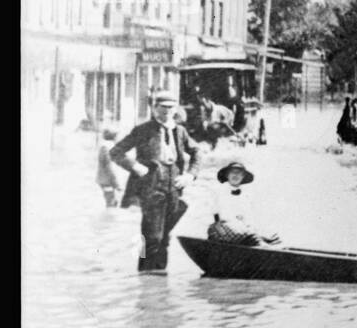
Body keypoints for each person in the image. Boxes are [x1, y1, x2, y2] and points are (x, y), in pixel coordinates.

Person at [110, 89, 200, 273]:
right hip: (151, 187)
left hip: (174, 187)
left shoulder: (180, 131)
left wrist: (190, 175)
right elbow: (116, 152)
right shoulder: (143, 130)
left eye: (170, 107)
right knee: (151, 237)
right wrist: (135, 166)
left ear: (175, 109)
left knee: (165, 237)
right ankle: (143, 272)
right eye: (162, 107)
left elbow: (197, 152)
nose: (166, 111)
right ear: (154, 108)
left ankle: (159, 276)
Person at [207, 160, 281, 246]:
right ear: (227, 175)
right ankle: (262, 246)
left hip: (241, 229)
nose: (236, 175)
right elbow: (216, 215)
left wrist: (252, 229)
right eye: (233, 172)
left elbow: (249, 217)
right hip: (221, 228)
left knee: (271, 236)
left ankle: (272, 248)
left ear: (243, 177)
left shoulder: (246, 195)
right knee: (248, 235)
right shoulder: (219, 190)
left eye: (239, 173)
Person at [96, 128, 124, 207]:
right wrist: (117, 184)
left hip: (105, 179)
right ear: (114, 137)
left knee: (112, 202)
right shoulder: (108, 147)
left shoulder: (104, 146)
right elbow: (109, 167)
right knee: (111, 203)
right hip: (107, 180)